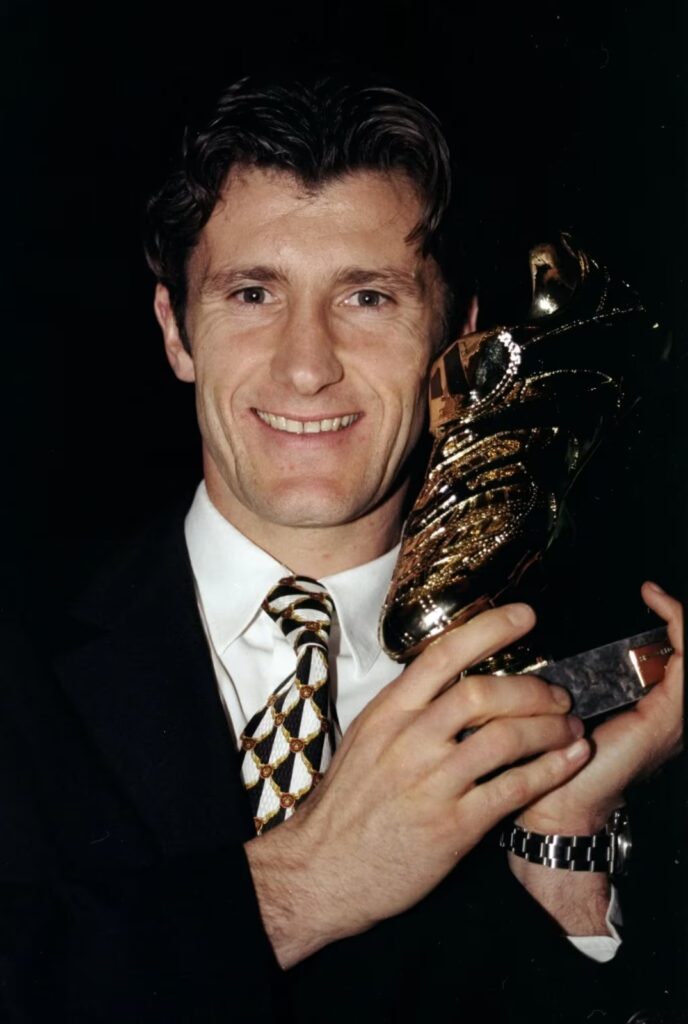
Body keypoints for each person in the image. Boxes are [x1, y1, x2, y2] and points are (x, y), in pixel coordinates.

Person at [1, 73, 683, 1023]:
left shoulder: (600, 703)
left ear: (461, 338)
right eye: (252, 293)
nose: (307, 366)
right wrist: (307, 882)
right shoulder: (19, 647)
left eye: (367, 297)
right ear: (176, 331)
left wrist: (563, 845)